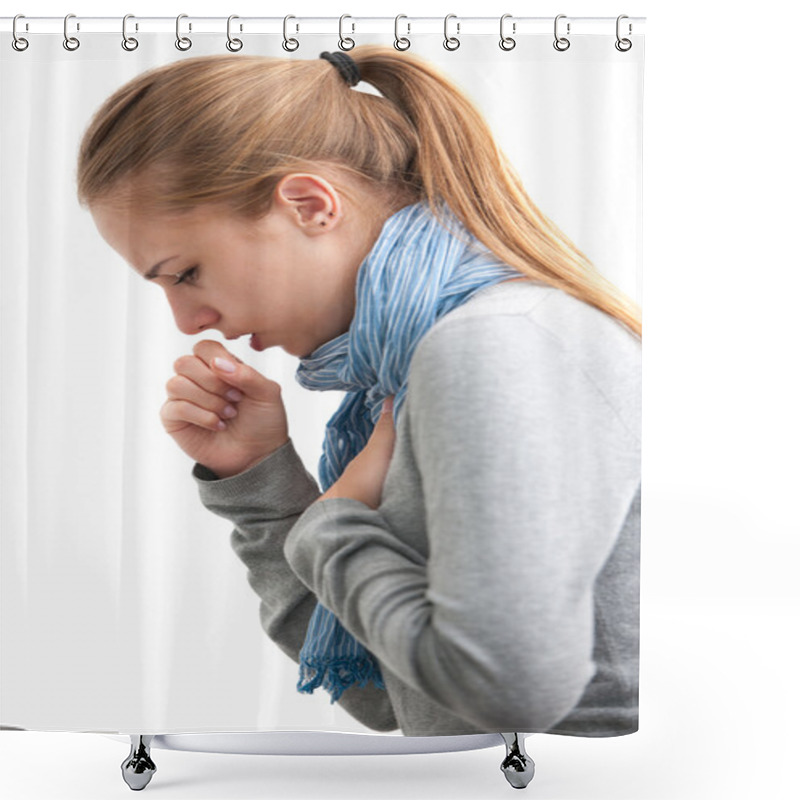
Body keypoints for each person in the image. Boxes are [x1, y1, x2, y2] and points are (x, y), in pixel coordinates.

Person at [77, 47, 641, 737]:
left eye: (187, 273)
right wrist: (259, 480)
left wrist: (328, 526)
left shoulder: (495, 344)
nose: (189, 323)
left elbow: (504, 692)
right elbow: (391, 695)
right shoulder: (408, 373)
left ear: (311, 205)